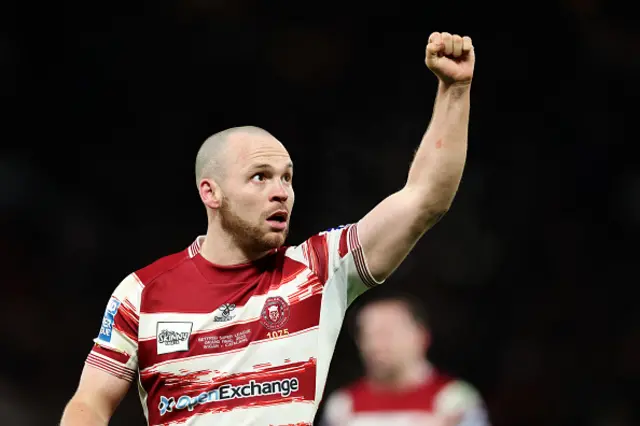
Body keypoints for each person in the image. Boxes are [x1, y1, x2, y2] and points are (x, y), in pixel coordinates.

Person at [60, 31, 476, 426]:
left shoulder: (319, 271)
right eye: (260, 176)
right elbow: (91, 401)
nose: (281, 192)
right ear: (212, 192)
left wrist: (454, 90)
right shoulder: (142, 293)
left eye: (287, 178)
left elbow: (425, 198)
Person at [320, 293, 490, 426]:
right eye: (368, 334)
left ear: (421, 336)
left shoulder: (454, 401)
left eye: (387, 333)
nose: (376, 345)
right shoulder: (342, 406)